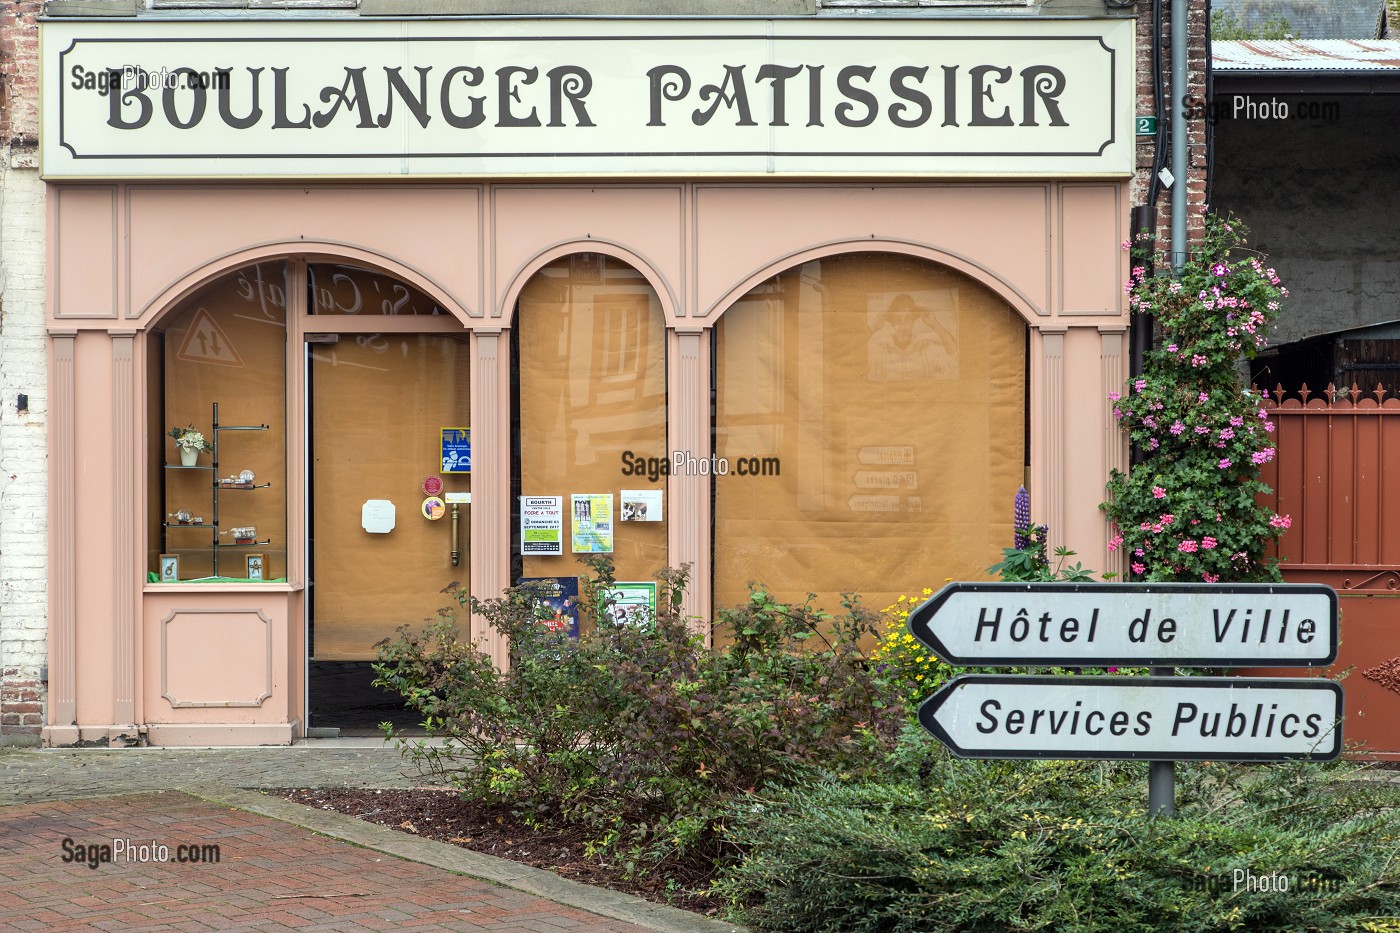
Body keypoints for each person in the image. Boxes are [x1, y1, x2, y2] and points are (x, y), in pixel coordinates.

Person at [867, 293, 957, 382]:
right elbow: (854, 357)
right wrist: (872, 328)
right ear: (892, 322)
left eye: (908, 318)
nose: (903, 324)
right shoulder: (878, 350)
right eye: (898, 319)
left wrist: (935, 324)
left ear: (913, 320)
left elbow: (955, 359)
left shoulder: (927, 348)